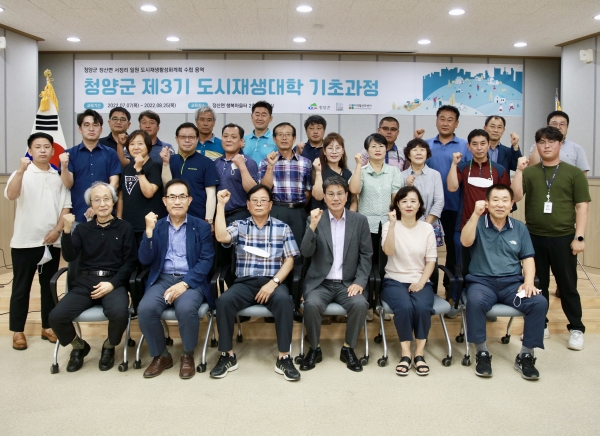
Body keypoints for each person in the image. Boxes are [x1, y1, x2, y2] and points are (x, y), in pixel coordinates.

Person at [210, 185, 301, 381]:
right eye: (255, 201)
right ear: (248, 205)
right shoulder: (240, 225)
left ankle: (284, 357)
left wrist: (274, 282)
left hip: (272, 282)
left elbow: (290, 260)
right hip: (244, 283)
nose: (259, 204)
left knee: (285, 301)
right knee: (224, 301)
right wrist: (220, 205)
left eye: (263, 201)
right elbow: (221, 236)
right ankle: (227, 355)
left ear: (270, 205)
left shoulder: (283, 228)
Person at [512, 126, 590, 350]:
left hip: (563, 237)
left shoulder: (573, 173)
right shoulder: (530, 172)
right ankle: (540, 324)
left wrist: (579, 237)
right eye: (542, 142)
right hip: (533, 237)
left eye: (551, 142)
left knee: (567, 285)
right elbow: (516, 196)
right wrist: (519, 171)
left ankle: (576, 328)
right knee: (538, 284)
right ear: (537, 145)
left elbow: (582, 206)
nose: (546, 146)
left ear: (560, 144)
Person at [48, 182, 137, 372]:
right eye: (97, 200)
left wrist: (112, 284)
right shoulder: (82, 229)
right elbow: (69, 256)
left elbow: (130, 263)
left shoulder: (125, 228)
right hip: (85, 282)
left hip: (113, 282)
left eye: (106, 199)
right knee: (55, 317)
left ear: (113, 201)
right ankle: (79, 346)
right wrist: (66, 231)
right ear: (91, 204)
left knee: (120, 313)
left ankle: (109, 346)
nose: (102, 204)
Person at [460, 186, 547, 380]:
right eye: (495, 200)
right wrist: (475, 215)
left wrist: (529, 282)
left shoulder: (520, 228)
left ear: (512, 204)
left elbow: (528, 258)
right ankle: (482, 352)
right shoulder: (477, 222)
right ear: (487, 203)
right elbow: (465, 242)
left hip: (512, 284)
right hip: (482, 282)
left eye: (505, 200)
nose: (500, 204)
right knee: (475, 301)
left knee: (538, 302)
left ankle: (526, 355)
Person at [137, 179, 215, 379]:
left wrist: (185, 283)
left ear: (189, 200)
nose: (177, 201)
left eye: (182, 197)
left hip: (191, 280)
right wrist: (148, 233)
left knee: (186, 308)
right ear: (164, 201)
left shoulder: (201, 227)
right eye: (172, 197)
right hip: (162, 279)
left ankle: (187, 354)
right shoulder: (156, 226)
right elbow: (145, 259)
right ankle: (161, 356)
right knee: (145, 309)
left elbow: (206, 260)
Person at [4, 133, 71, 350]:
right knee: (21, 288)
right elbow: (11, 195)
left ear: (53, 150)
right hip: (24, 242)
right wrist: (20, 171)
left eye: (46, 146)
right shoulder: (21, 173)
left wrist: (57, 230)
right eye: (38, 147)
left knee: (49, 287)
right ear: (30, 151)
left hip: (51, 241)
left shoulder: (58, 176)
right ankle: (18, 330)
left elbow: (66, 207)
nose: (43, 150)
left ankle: (47, 327)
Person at [300, 176, 372, 372]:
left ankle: (348, 348)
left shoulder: (359, 221)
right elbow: (305, 252)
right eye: (330, 194)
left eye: (340, 193)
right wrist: (313, 226)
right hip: (321, 283)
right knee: (311, 305)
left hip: (348, 283)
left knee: (360, 304)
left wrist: (360, 281)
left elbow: (366, 255)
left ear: (347, 196)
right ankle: (314, 349)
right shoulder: (315, 219)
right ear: (324, 197)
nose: (335, 198)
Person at [414, 105, 471, 300]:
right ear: (436, 121)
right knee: (427, 250)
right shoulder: (426, 145)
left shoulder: (465, 146)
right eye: (442, 119)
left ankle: (451, 289)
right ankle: (427, 288)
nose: (445, 123)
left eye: (450, 120)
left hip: (456, 206)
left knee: (454, 250)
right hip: (428, 210)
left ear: (457, 123)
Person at [380, 187, 437, 376]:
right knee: (404, 307)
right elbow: (388, 251)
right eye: (404, 201)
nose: (408, 205)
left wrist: (421, 282)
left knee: (422, 307)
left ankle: (419, 353)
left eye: (413, 201)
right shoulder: (389, 225)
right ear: (397, 205)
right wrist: (392, 226)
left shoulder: (427, 228)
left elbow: (431, 261)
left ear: (419, 204)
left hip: (421, 279)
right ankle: (406, 353)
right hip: (394, 280)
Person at [59, 109, 121, 224]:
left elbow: (115, 183)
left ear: (101, 129)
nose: (91, 129)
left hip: (105, 215)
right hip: (77, 215)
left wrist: (97, 205)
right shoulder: (69, 154)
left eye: (95, 125)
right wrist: (64, 166)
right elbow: (68, 184)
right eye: (87, 125)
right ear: (80, 129)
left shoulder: (111, 153)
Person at [349, 133, 404, 260]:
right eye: (373, 146)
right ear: (367, 150)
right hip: (365, 224)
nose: (378, 149)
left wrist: (395, 221)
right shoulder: (360, 171)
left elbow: (396, 200)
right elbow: (354, 190)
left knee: (387, 260)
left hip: (389, 223)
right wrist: (358, 165)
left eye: (381, 146)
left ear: (386, 149)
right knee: (367, 259)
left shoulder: (394, 172)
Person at [259, 122, 312, 248]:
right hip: (275, 210)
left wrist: (297, 206)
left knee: (298, 249)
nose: (284, 138)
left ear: (294, 138)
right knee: (274, 249)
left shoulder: (306, 163)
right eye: (280, 135)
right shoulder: (265, 162)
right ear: (274, 139)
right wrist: (270, 166)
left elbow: (308, 191)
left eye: (288, 135)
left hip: (298, 212)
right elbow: (264, 190)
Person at [447, 129, 510, 230]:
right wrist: (454, 164)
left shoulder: (499, 170)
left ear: (488, 145)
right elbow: (451, 188)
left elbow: (506, 197)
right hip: (465, 222)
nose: (479, 148)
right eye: (475, 144)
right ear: (469, 146)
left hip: (492, 225)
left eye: (483, 143)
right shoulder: (462, 168)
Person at [160, 122, 219, 226]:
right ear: (177, 139)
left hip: (198, 219)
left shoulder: (207, 163)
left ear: (197, 139)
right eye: (183, 137)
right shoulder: (169, 160)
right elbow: (167, 186)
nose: (187, 140)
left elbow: (211, 194)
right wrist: (165, 163)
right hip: (172, 219)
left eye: (191, 137)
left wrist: (209, 220)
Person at [117, 130, 165, 248]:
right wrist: (119, 218)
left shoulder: (154, 166)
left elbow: (149, 193)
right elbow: (121, 196)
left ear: (148, 146)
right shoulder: (127, 168)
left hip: (148, 226)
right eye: (132, 144)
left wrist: (139, 170)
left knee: (147, 257)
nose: (136, 147)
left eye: (140, 143)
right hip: (128, 226)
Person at [402, 139, 444, 242]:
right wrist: (407, 186)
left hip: (430, 226)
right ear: (408, 154)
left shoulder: (435, 175)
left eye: (422, 149)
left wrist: (425, 225)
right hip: (407, 227)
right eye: (414, 150)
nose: (419, 153)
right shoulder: (401, 175)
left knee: (430, 252)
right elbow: (399, 202)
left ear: (427, 153)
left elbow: (439, 202)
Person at [215, 123, 258, 224]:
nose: (228, 140)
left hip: (241, 214)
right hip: (219, 215)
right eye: (225, 136)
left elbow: (253, 191)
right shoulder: (216, 162)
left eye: (233, 137)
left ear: (241, 141)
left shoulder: (248, 162)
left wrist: (242, 166)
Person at [527, 111, 590, 175]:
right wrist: (540, 140)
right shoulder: (537, 146)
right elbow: (532, 169)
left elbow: (583, 175)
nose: (558, 127)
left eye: (562, 124)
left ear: (567, 128)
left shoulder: (577, 149)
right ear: (547, 127)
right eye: (554, 123)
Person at [311, 132, 357, 211]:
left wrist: (349, 216)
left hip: (344, 216)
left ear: (342, 151)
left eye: (338, 148)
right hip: (322, 215)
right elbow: (318, 196)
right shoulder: (317, 170)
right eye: (330, 148)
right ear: (324, 151)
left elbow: (353, 200)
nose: (334, 152)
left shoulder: (348, 173)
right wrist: (318, 172)